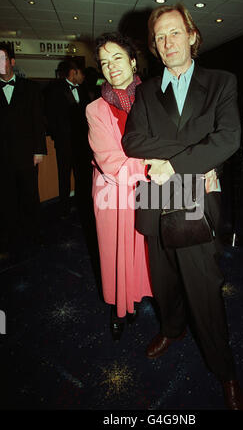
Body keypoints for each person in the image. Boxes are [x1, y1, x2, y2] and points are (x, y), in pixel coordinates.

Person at [122, 4, 243, 409]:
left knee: (204, 289)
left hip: (193, 194)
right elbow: (133, 142)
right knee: (165, 280)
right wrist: (198, 154)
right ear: (155, 47)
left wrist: (176, 163)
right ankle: (172, 329)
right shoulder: (145, 90)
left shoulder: (221, 81)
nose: (167, 42)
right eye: (160, 37)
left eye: (175, 32)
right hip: (157, 198)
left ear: (192, 36)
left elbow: (228, 138)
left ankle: (224, 370)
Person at [85, 33, 153, 340]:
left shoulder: (153, 98)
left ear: (133, 61)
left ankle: (136, 297)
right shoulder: (95, 109)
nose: (111, 67)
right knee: (114, 252)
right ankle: (118, 306)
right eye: (104, 62)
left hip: (145, 190)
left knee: (140, 247)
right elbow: (111, 161)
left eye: (117, 58)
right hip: (112, 191)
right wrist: (156, 167)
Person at [0, 42, 47, 260]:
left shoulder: (30, 88)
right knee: (6, 200)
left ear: (12, 61)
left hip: (27, 155)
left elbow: (38, 121)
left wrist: (40, 151)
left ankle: (36, 234)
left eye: (2, 58)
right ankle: (11, 239)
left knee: (30, 196)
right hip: (2, 158)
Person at [45, 59, 92, 218]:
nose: (83, 77)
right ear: (74, 72)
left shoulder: (85, 90)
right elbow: (50, 117)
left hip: (83, 144)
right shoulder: (55, 90)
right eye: (81, 73)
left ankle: (82, 206)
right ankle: (64, 209)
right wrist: (58, 136)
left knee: (82, 177)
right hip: (64, 143)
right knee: (64, 176)